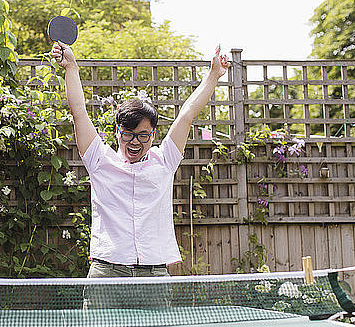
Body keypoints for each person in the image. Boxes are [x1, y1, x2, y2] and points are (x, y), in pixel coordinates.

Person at [52, 41, 230, 279]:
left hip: (154, 272)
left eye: (143, 135)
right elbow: (79, 113)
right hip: (107, 272)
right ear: (118, 132)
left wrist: (213, 75)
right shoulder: (99, 160)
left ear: (153, 135)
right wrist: (71, 67)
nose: (135, 142)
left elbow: (187, 115)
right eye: (128, 134)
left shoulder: (164, 160)